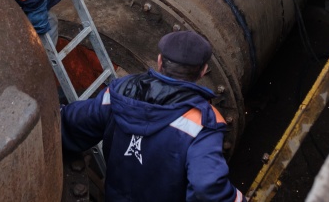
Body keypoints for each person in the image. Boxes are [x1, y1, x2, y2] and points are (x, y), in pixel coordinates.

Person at [60, 30, 246, 202]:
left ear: (159, 60)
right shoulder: (203, 122)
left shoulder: (119, 91)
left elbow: (75, 122)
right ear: (203, 71)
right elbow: (206, 187)